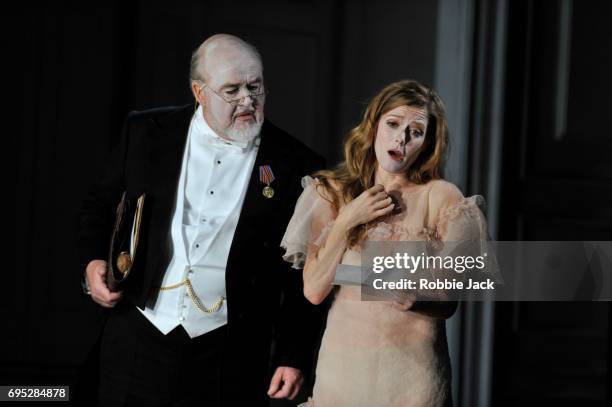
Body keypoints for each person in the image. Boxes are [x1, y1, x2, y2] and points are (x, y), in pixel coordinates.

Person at [77, 33, 325, 406]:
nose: (247, 100)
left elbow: (300, 270)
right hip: (138, 336)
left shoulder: (296, 163)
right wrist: (93, 262)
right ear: (199, 91)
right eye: (232, 90)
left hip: (231, 351)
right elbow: (98, 205)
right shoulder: (146, 132)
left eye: (255, 87)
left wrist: (294, 355)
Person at [281, 79, 489, 406]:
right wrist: (348, 219)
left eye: (415, 131)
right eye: (393, 124)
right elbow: (313, 290)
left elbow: (449, 302)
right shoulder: (331, 194)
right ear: (374, 125)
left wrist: (415, 297)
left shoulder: (443, 198)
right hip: (342, 376)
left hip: (414, 382)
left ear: (427, 142)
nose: (400, 138)